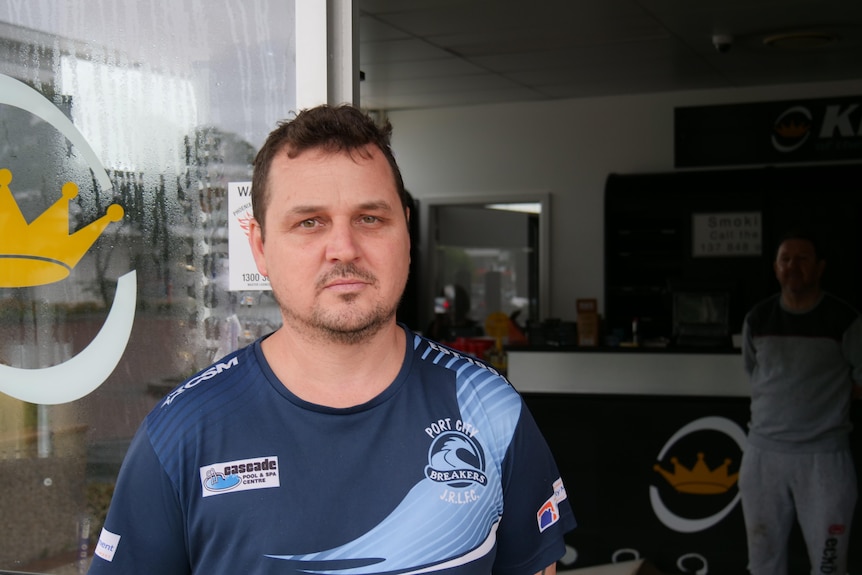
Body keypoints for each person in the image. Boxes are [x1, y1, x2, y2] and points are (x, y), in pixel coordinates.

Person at [88, 104, 575, 575]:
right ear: (259, 246)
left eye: (370, 218)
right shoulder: (182, 433)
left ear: (405, 231)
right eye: (309, 222)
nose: (343, 248)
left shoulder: (491, 410)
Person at [739, 229, 862, 575]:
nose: (793, 266)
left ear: (820, 267)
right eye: (785, 259)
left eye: (802, 259)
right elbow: (754, 371)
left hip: (824, 459)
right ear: (776, 268)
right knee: (763, 562)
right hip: (763, 456)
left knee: (828, 564)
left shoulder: (844, 320)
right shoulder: (758, 319)